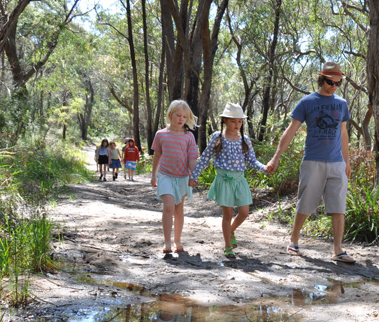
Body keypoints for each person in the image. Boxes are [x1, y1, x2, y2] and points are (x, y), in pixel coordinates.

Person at [265, 61, 354, 264]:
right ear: (322, 79)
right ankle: (294, 241)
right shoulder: (307, 102)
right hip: (313, 161)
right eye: (331, 82)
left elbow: (343, 134)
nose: (334, 87)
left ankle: (338, 250)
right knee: (305, 202)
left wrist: (346, 162)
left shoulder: (341, 104)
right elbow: (290, 131)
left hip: (337, 163)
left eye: (338, 83)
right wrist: (275, 157)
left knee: (338, 206)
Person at [189, 103, 268, 259]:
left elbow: (252, 161)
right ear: (224, 120)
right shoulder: (217, 137)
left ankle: (231, 231)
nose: (237, 124)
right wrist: (195, 175)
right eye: (233, 121)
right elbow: (205, 157)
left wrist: (264, 168)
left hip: (240, 180)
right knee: (228, 213)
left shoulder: (244, 139)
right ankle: (228, 246)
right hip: (224, 180)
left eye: (240, 121)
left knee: (244, 212)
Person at [151, 100, 199, 255]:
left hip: (182, 177)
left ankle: (177, 240)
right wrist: (154, 175)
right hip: (165, 175)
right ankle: (167, 241)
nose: (181, 119)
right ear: (170, 115)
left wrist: (195, 174)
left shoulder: (189, 136)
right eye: (178, 115)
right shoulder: (161, 134)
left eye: (185, 117)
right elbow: (157, 154)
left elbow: (192, 159)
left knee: (179, 209)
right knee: (169, 206)